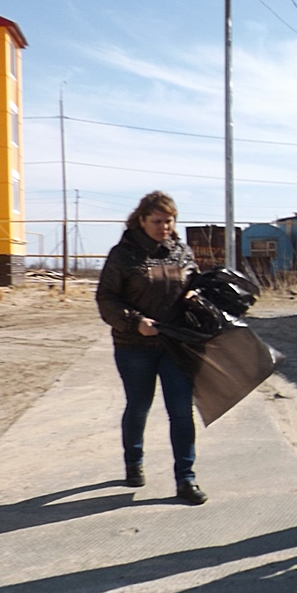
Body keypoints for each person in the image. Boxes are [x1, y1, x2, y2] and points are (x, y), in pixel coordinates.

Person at [96, 191, 207, 505]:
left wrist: (194, 297)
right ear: (141, 220)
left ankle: (186, 479)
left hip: (175, 344)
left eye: (169, 221)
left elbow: (194, 283)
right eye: (157, 221)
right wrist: (135, 322)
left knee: (181, 412)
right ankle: (134, 461)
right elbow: (106, 299)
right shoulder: (123, 254)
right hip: (135, 346)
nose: (164, 227)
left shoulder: (181, 251)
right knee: (139, 406)